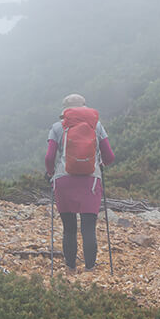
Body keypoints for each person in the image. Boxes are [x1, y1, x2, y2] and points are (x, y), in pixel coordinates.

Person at [44, 93, 114, 271]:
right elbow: (109, 156)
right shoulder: (96, 126)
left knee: (69, 228)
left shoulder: (57, 127)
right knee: (88, 227)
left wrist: (51, 173)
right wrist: (100, 164)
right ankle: (90, 269)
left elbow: (50, 157)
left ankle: (70, 268)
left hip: (64, 180)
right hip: (90, 181)